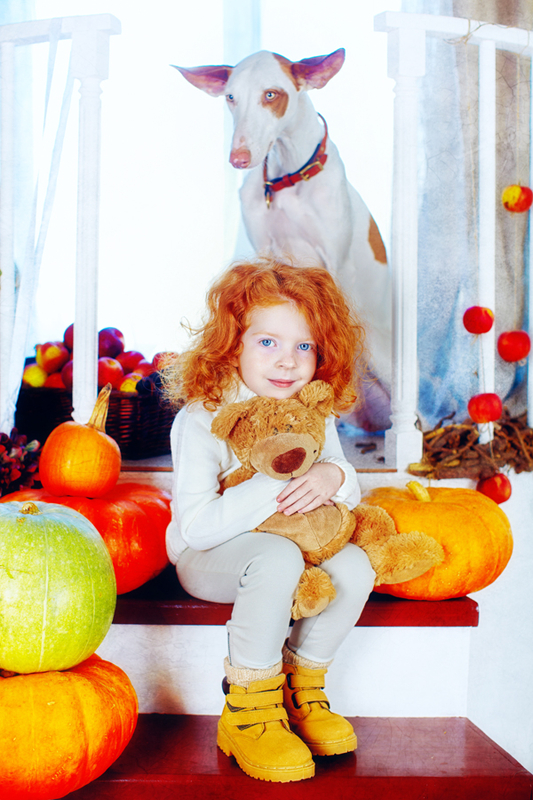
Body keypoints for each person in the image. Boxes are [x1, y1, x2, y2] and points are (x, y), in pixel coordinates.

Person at [164, 256, 376, 783]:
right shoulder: (203, 418)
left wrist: (331, 475)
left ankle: (303, 691)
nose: (287, 362)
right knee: (277, 557)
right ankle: (249, 710)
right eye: (267, 342)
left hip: (288, 552)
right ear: (232, 343)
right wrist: (272, 482)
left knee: (355, 565)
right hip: (207, 558)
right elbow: (196, 529)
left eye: (304, 346)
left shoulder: (312, 411)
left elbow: (348, 485)